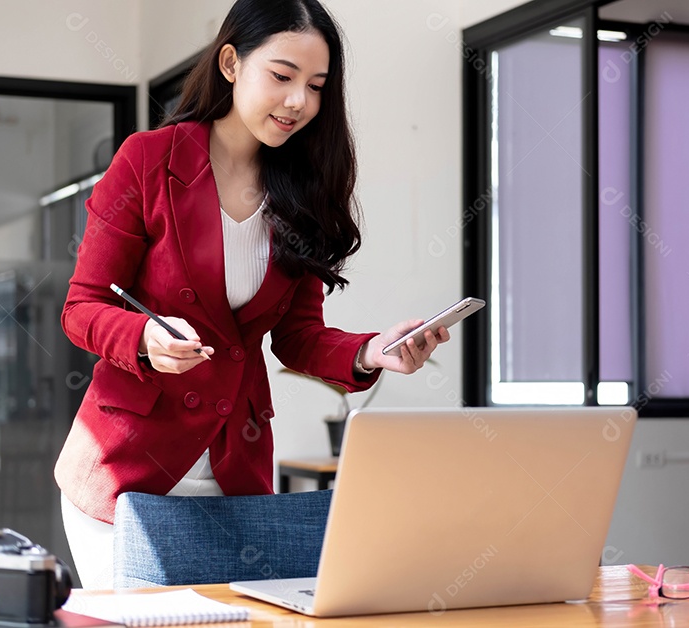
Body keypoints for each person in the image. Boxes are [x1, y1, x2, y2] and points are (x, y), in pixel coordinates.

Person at [55, 0, 449, 589]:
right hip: (124, 475)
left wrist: (370, 351)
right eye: (282, 76)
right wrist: (141, 336)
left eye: (316, 86)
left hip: (233, 471)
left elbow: (298, 337)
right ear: (232, 63)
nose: (299, 102)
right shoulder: (146, 161)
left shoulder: (303, 193)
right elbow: (82, 307)